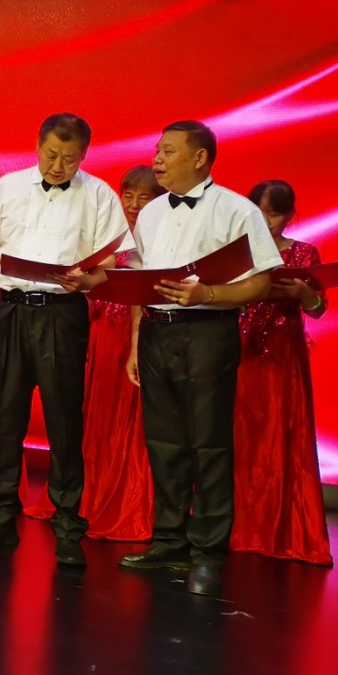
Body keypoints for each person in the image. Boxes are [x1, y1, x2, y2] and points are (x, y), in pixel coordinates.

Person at [122, 120, 283, 597]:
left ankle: (208, 552)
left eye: (168, 151)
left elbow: (262, 282)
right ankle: (168, 541)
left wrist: (208, 294)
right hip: (156, 332)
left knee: (209, 444)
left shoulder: (237, 210)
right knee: (164, 441)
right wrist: (135, 341)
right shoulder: (151, 212)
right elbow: (141, 279)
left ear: (199, 158)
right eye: (157, 149)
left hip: (208, 332)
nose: (157, 158)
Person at [0, 115, 131, 569]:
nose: (58, 166)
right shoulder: (7, 189)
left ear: (84, 155)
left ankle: (67, 525)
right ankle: (1, 516)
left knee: (63, 419)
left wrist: (89, 280)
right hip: (12, 310)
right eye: (51, 155)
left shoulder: (98, 194)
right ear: (38, 145)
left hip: (62, 312)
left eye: (70, 159)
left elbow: (112, 262)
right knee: (8, 415)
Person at [230, 179, 333, 565]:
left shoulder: (304, 253)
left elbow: (318, 310)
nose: (266, 221)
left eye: (274, 214)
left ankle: (283, 526)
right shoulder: (236, 251)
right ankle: (234, 523)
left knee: (281, 429)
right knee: (238, 432)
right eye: (258, 212)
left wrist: (306, 295)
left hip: (283, 351)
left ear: (290, 215)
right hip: (239, 349)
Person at [79, 166, 162, 541]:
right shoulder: (108, 235)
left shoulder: (158, 237)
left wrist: (136, 340)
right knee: (98, 412)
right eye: (128, 195)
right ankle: (93, 495)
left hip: (137, 332)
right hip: (101, 331)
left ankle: (131, 499)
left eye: (144, 197)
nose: (133, 203)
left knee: (133, 418)